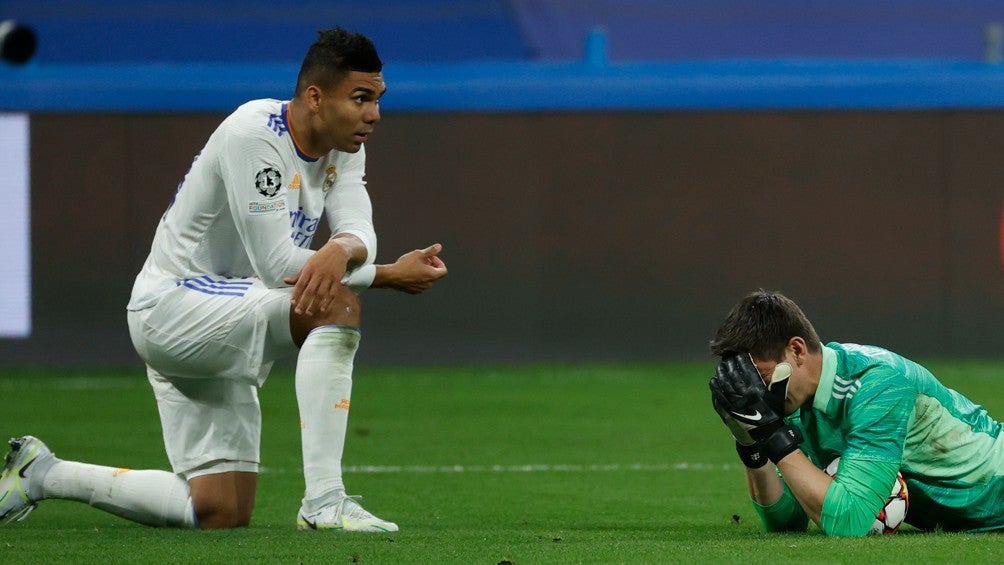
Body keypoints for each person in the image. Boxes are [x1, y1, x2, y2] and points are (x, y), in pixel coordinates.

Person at [0, 27, 447, 531]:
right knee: (333, 304)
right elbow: (277, 265)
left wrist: (342, 249)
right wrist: (384, 275)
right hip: (171, 308)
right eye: (361, 98)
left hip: (226, 312)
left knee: (219, 510)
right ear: (315, 97)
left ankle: (42, 474)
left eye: (378, 99)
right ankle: (324, 501)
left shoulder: (345, 146)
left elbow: (359, 230)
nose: (374, 114)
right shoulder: (253, 134)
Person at [708, 289, 1004, 536]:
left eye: (761, 377)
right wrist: (751, 444)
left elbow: (850, 520)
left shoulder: (878, 385)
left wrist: (773, 435)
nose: (758, 395)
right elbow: (787, 521)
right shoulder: (793, 397)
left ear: (797, 351)